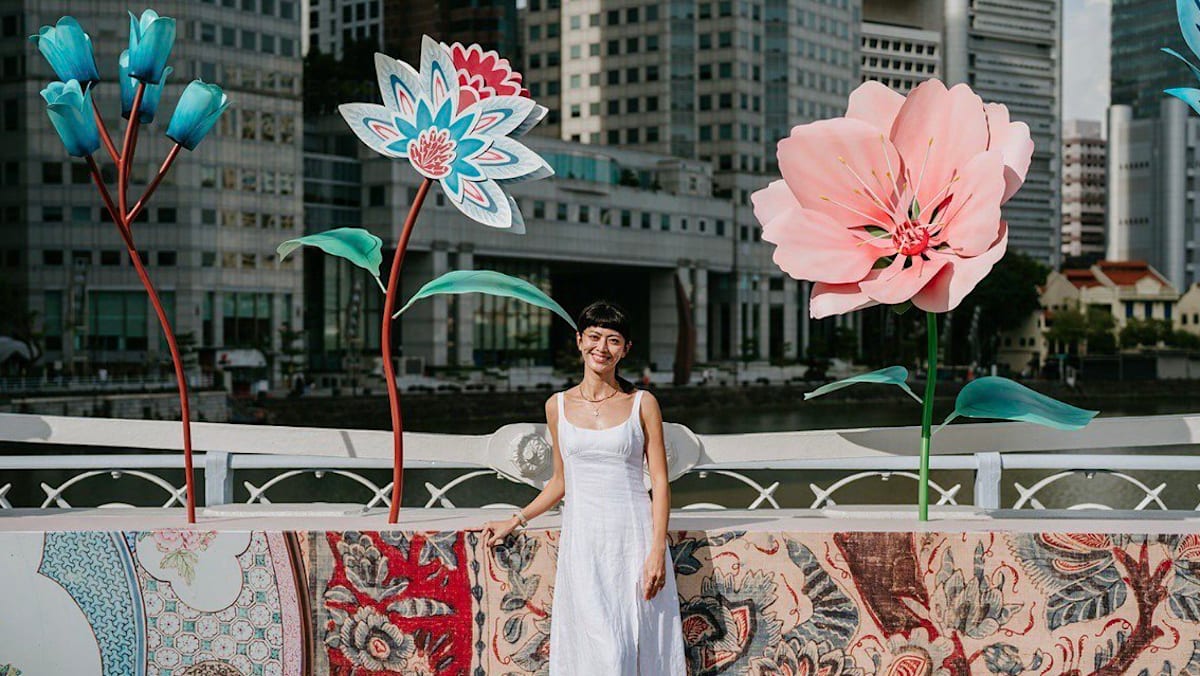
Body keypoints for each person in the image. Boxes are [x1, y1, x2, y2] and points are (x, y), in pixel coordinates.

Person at [483, 301, 686, 675]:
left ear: (625, 349)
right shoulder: (557, 406)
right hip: (583, 543)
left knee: (633, 643)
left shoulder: (642, 403)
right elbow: (560, 482)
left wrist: (657, 549)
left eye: (613, 340)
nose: (601, 348)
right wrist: (516, 520)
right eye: (594, 337)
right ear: (579, 341)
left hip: (633, 539)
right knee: (602, 648)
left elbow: (659, 481)